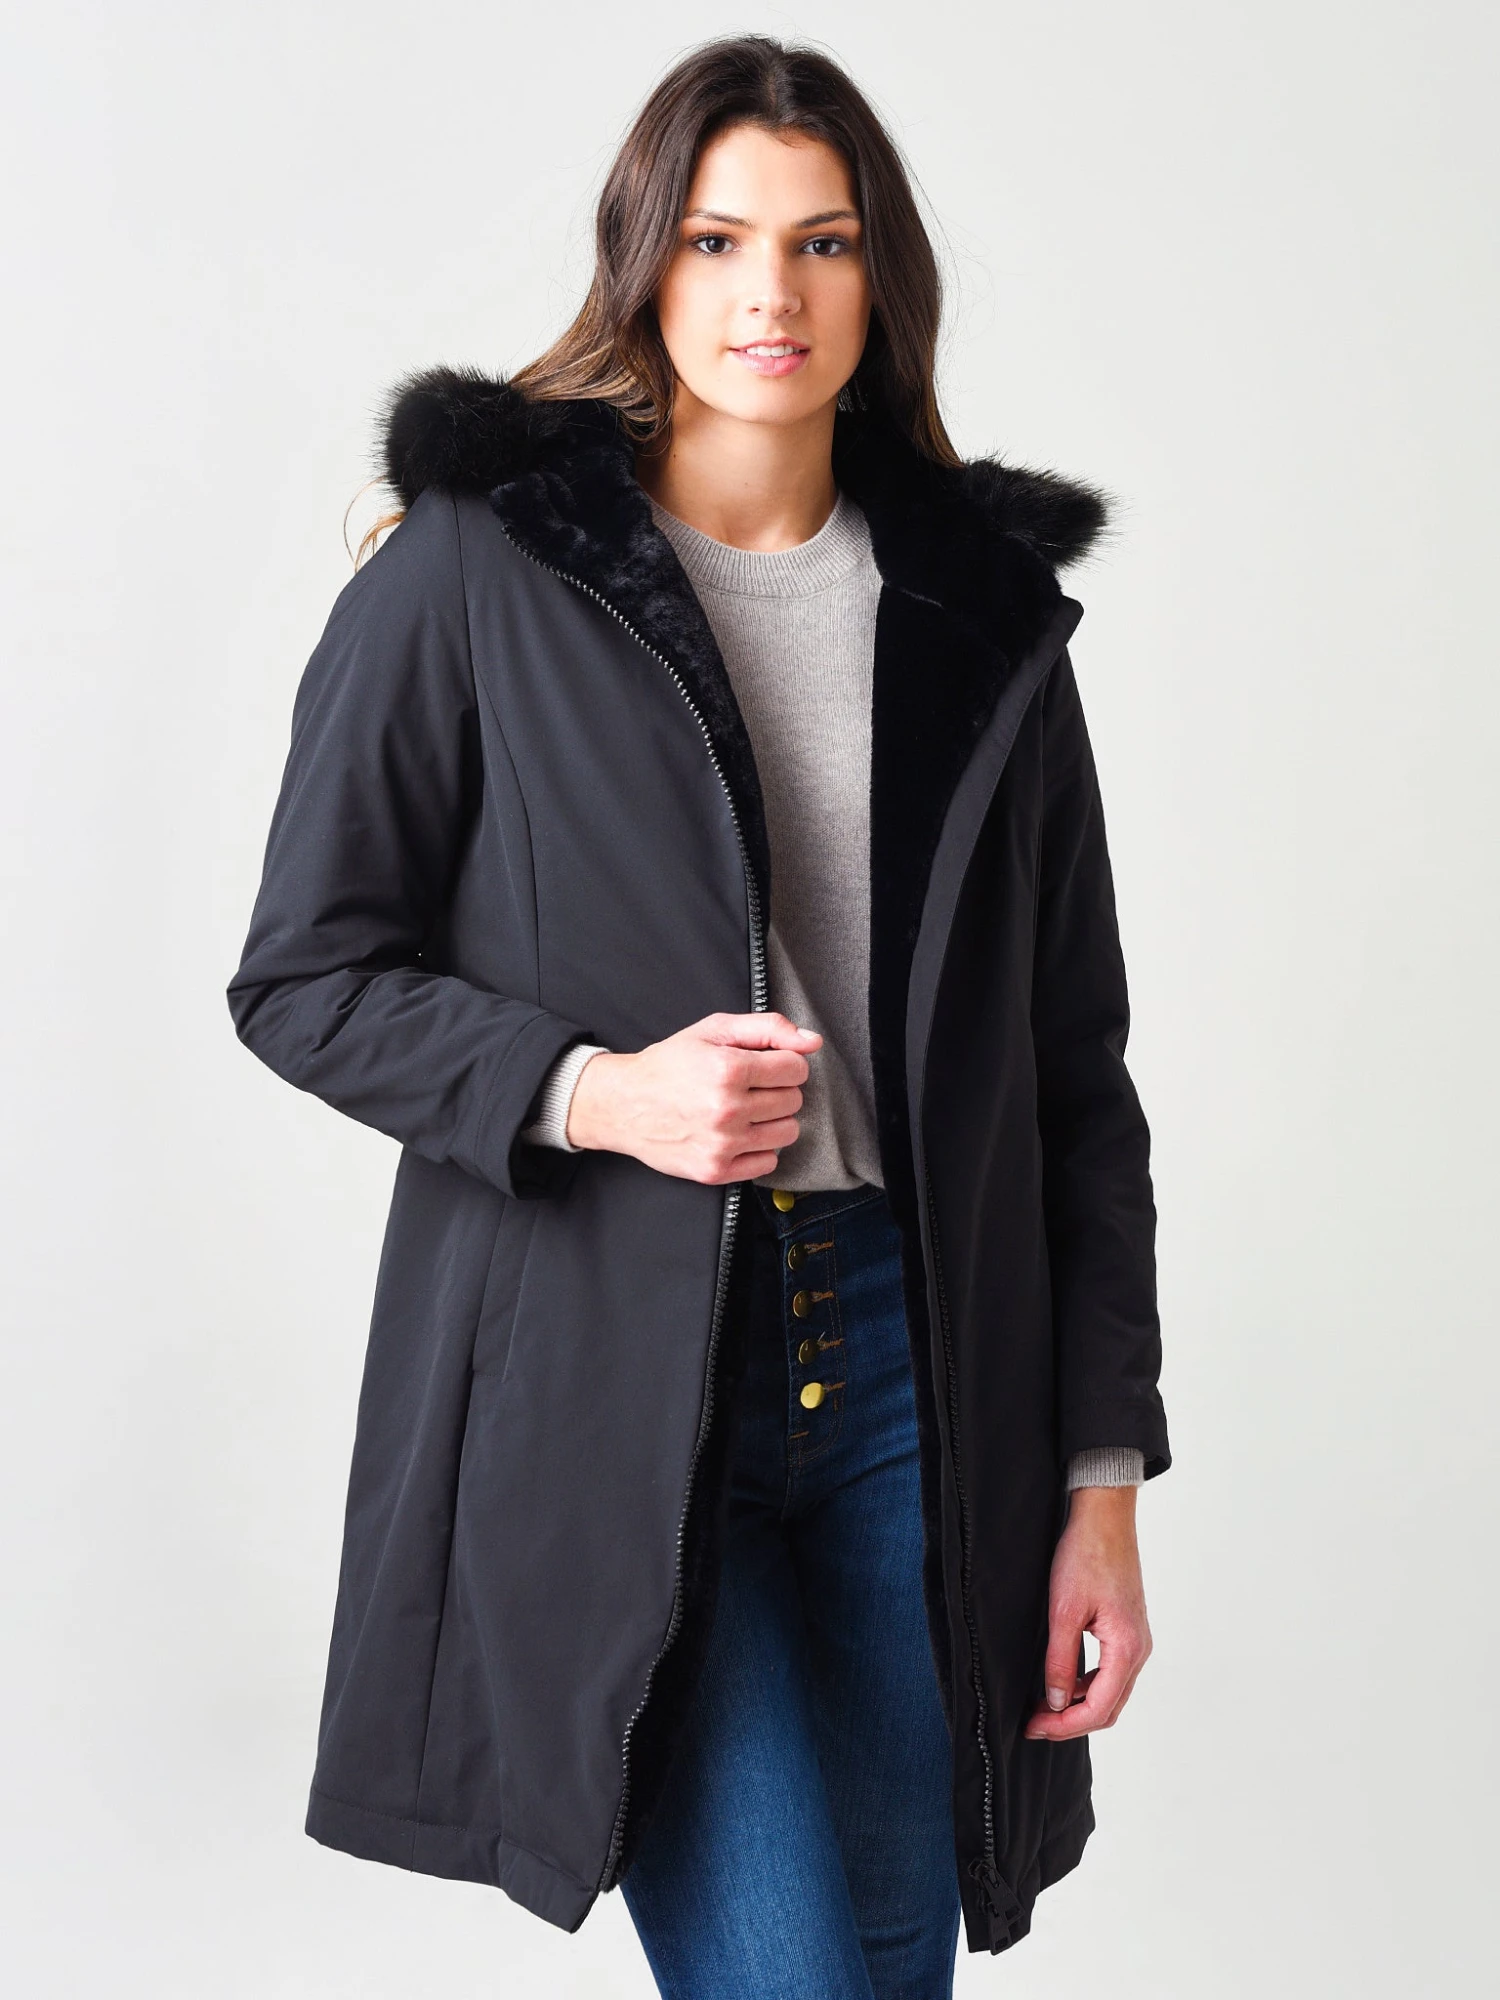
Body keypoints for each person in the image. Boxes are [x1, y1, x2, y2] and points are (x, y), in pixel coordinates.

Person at [227, 32, 1171, 2000]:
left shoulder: (985, 618)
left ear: (881, 277)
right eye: (720, 239)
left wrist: (1102, 1483)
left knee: (892, 1972)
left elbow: (1076, 1085)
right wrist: (592, 1091)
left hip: (922, 1377)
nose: (771, 294)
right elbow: (306, 974)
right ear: (645, 261)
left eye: (824, 242)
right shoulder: (483, 569)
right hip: (621, 1377)